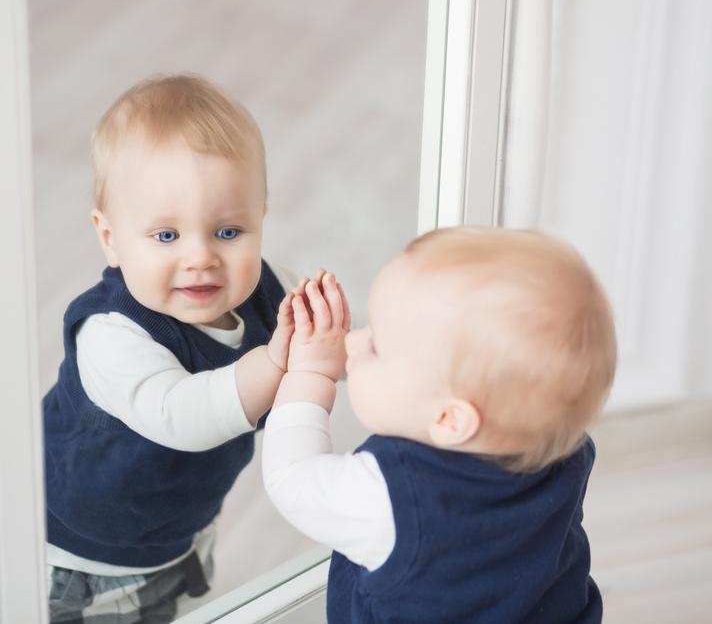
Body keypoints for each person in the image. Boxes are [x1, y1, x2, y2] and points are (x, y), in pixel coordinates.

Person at [43, 73, 311, 623]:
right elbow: (183, 415)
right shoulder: (111, 334)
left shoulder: (268, 290)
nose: (200, 257)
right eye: (166, 236)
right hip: (87, 548)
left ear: (260, 218)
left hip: (173, 517)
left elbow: (325, 343)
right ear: (110, 236)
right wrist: (277, 361)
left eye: (228, 232)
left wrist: (361, 343)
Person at [263, 227, 617, 624]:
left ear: (449, 419)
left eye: (377, 345)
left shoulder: (392, 500)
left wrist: (310, 372)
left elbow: (290, 478)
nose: (353, 341)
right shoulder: (565, 446)